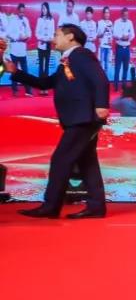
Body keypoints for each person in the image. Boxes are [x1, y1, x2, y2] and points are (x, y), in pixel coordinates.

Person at [1, 24, 110, 218]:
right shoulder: (67, 61)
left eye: (57, 35)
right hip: (79, 117)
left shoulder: (81, 55)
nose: (53, 39)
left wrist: (102, 105)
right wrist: (16, 72)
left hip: (83, 118)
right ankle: (96, 207)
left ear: (70, 37)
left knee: (61, 159)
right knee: (87, 162)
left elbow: (100, 79)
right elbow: (46, 83)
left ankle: (51, 207)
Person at [5, 3, 31, 96]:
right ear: (17, 11)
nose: (22, 14)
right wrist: (17, 37)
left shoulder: (26, 20)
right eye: (20, 12)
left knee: (25, 72)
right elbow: (7, 33)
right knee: (14, 71)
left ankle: (28, 90)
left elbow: (29, 33)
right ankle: (14, 89)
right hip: (15, 50)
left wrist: (26, 36)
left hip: (23, 51)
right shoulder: (13, 21)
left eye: (23, 12)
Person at [34, 2, 55, 92]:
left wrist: (47, 39)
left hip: (48, 44)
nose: (43, 10)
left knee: (46, 66)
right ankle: (40, 86)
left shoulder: (51, 20)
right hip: (40, 45)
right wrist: (41, 38)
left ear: (48, 9)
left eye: (45, 8)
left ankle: (45, 87)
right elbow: (36, 32)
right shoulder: (39, 19)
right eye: (42, 9)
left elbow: (52, 33)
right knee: (40, 66)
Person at [112, 7, 134, 90]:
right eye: (124, 15)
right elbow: (114, 34)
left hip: (127, 48)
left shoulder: (130, 23)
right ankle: (116, 85)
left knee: (125, 67)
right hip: (119, 48)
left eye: (127, 15)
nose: (126, 17)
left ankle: (124, 85)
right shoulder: (117, 22)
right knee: (117, 67)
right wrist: (121, 37)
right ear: (121, 15)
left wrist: (128, 38)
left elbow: (133, 34)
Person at [97, 7, 114, 78]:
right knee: (101, 64)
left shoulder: (111, 23)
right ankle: (100, 78)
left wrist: (111, 40)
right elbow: (98, 35)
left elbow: (111, 34)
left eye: (108, 13)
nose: (107, 14)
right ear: (103, 14)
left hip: (108, 46)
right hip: (102, 46)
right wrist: (103, 31)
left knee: (107, 64)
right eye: (106, 12)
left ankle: (105, 79)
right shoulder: (100, 22)